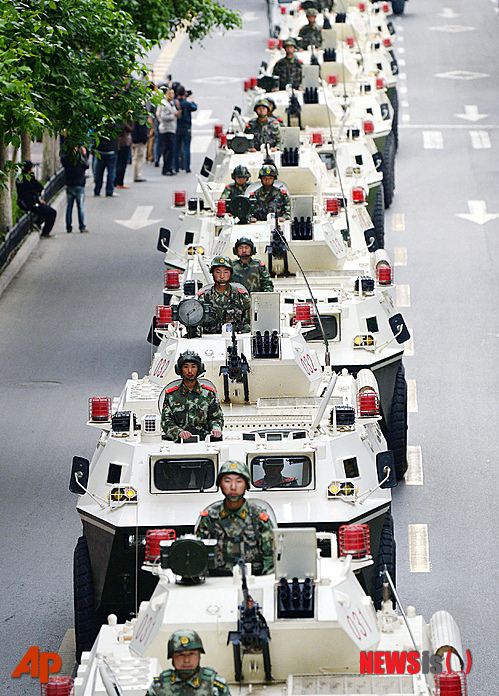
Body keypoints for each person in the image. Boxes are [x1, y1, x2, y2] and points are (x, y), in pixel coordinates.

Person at [196, 460, 275, 575]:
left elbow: (270, 559)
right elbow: (199, 556)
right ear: (219, 484)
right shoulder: (210, 518)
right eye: (227, 481)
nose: (233, 487)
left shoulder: (258, 518)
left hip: (253, 580)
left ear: (246, 485)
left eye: (239, 481)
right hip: (217, 582)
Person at [161, 351, 224, 442]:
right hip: (179, 442)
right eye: (186, 367)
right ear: (179, 369)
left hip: (204, 442)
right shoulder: (171, 395)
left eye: (193, 367)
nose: (190, 371)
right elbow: (166, 421)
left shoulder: (208, 394)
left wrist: (216, 428)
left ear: (199, 369)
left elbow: (216, 417)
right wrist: (179, 432)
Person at [147, 630, 230, 696]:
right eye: (180, 655)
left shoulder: (215, 686)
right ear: (172, 658)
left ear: (199, 656)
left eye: (192, 654)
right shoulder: (159, 686)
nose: (186, 660)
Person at [197, 257, 250, 334]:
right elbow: (196, 323)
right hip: (209, 341)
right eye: (218, 272)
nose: (222, 276)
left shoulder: (241, 296)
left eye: (226, 272)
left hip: (235, 339)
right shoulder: (203, 297)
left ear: (230, 273)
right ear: (212, 274)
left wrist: (243, 332)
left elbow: (250, 321)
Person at [16, 161, 57, 237]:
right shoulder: (29, 179)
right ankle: (44, 231)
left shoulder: (19, 179)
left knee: (44, 209)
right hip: (32, 204)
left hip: (23, 203)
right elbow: (39, 188)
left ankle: (37, 223)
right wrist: (34, 179)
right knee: (52, 213)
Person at [60, 145, 89, 233]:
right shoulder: (79, 159)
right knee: (80, 207)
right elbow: (86, 165)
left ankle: (69, 227)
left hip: (69, 184)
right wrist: (84, 155)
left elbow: (63, 161)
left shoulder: (66, 158)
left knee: (69, 206)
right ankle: (82, 226)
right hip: (79, 184)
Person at [174, 86, 197, 173]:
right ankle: (187, 167)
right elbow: (194, 107)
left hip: (177, 127)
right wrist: (191, 99)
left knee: (176, 148)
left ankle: (176, 167)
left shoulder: (175, 102)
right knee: (186, 147)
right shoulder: (187, 104)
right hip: (186, 127)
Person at [157, 88, 179, 176]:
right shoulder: (164, 104)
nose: (171, 95)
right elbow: (163, 117)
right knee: (168, 150)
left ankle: (169, 167)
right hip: (166, 129)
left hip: (171, 128)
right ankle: (166, 168)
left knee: (170, 150)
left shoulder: (171, 103)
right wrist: (174, 115)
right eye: (169, 93)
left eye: (172, 93)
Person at [93, 125, 120, 197]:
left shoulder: (100, 122)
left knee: (99, 172)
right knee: (111, 172)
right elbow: (121, 129)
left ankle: (97, 190)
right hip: (111, 149)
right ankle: (109, 191)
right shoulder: (114, 122)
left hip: (100, 149)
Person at [115, 121, 133, 189]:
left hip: (121, 143)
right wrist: (131, 121)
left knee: (119, 163)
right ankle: (119, 182)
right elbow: (130, 129)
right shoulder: (122, 122)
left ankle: (116, 181)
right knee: (122, 164)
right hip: (123, 144)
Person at [131, 116, 149, 182]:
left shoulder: (133, 117)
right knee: (138, 158)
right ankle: (137, 175)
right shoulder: (141, 118)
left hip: (133, 139)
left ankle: (135, 175)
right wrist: (145, 139)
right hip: (140, 140)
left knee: (134, 158)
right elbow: (143, 130)